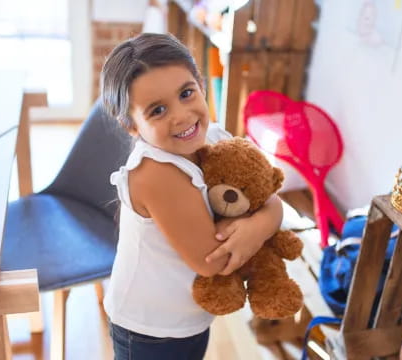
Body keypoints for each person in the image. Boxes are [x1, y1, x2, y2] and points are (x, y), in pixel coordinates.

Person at [101, 33, 284, 360]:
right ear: (131, 125)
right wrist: (263, 223)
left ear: (201, 84)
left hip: (188, 318)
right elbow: (215, 260)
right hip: (150, 330)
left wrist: (260, 223)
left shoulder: (213, 136)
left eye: (187, 93)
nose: (182, 116)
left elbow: (267, 190)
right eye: (157, 110)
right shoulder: (156, 173)